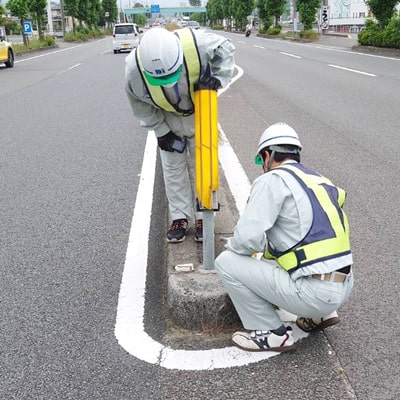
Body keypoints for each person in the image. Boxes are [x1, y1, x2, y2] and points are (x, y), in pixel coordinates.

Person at [215, 122, 354, 352]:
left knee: (227, 263)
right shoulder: (320, 180)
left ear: (267, 155)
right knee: (284, 252)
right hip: (345, 286)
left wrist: (235, 249)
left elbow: (247, 240)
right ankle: (321, 315)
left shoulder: (272, 180)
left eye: (261, 160)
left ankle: (271, 332)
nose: (262, 166)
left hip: (315, 294)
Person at [125, 27, 235, 243]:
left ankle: (205, 214)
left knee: (203, 163)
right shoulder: (133, 70)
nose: (168, 82)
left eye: (171, 75)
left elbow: (227, 48)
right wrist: (160, 131)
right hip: (167, 116)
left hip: (199, 111)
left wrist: (218, 79)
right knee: (172, 167)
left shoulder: (197, 44)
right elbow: (138, 103)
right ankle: (180, 217)